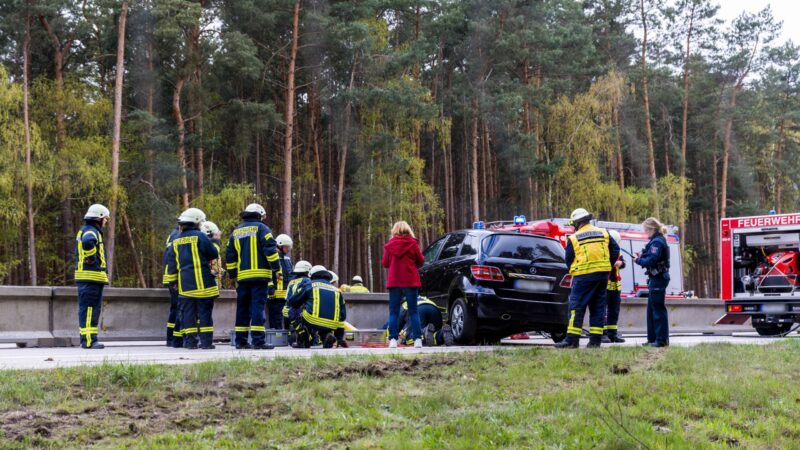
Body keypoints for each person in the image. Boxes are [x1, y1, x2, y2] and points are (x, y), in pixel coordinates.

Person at [555, 208, 619, 349]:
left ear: (577, 223)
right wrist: (607, 265)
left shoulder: (574, 238)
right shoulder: (604, 232)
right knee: (597, 307)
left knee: (576, 307)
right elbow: (615, 250)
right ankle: (595, 341)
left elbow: (568, 259)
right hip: (602, 276)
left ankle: (572, 340)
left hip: (583, 277)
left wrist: (576, 269)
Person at [225, 203, 280, 350]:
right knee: (257, 308)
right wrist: (276, 268)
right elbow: (271, 250)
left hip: (242, 279)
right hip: (260, 277)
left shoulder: (236, 232)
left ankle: (241, 341)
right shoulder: (262, 229)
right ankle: (258, 341)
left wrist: (232, 274)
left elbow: (230, 256)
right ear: (259, 215)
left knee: (242, 309)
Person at [165, 208, 219, 350]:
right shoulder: (200, 236)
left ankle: (190, 343)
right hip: (204, 285)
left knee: (188, 314)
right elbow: (213, 253)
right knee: (205, 313)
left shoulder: (176, 240)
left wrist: (173, 282)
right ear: (197, 222)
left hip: (185, 286)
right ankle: (206, 343)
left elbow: (172, 264)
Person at [382, 221, 425, 349]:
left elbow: (385, 263)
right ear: (408, 230)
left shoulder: (390, 246)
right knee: (413, 311)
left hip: (395, 282)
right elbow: (421, 261)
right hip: (410, 281)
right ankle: (417, 340)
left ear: (394, 231)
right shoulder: (413, 244)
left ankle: (393, 340)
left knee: (394, 312)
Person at [74, 204, 111, 349]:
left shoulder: (85, 229)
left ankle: (88, 339)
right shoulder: (92, 231)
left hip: (88, 277)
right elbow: (88, 242)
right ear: (99, 218)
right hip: (91, 277)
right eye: (105, 219)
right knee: (90, 309)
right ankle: (89, 341)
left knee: (87, 309)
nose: (106, 222)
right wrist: (90, 258)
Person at [287, 265, 347, 349]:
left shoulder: (310, 285)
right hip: (332, 324)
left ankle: (303, 336)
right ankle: (326, 336)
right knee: (325, 325)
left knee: (293, 310)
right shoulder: (337, 290)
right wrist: (339, 338)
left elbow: (293, 301)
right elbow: (343, 315)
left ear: (312, 275)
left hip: (312, 320)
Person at [635, 217, 671, 348]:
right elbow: (649, 257)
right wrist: (640, 256)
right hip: (655, 279)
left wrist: (638, 261)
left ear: (651, 229)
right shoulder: (655, 241)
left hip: (659, 278)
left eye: (645, 230)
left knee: (658, 310)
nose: (645, 232)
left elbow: (651, 260)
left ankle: (661, 340)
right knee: (651, 310)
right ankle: (652, 339)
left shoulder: (657, 242)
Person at [386, 297, 454, 346]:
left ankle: (423, 332)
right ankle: (443, 333)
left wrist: (392, 337)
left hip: (419, 309)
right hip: (435, 309)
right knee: (434, 333)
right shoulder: (421, 298)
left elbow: (395, 324)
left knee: (408, 338)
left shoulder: (403, 305)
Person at [603, 230, 626, 344]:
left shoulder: (618, 250)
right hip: (605, 284)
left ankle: (612, 334)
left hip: (615, 285)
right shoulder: (603, 250)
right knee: (601, 310)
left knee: (614, 310)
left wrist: (621, 263)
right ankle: (602, 334)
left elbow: (623, 261)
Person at [162, 225, 182, 348]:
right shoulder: (177, 235)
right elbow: (173, 257)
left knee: (175, 308)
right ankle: (175, 338)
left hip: (170, 275)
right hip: (175, 277)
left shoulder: (173, 233)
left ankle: (170, 338)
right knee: (179, 307)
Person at [268, 234, 294, 329]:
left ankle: (287, 338)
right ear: (279, 245)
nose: (288, 250)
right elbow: (268, 273)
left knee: (288, 318)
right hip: (275, 295)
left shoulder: (287, 259)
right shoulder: (272, 257)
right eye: (287, 247)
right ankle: (276, 338)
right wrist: (270, 286)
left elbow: (291, 274)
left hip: (286, 295)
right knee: (276, 319)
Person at [283, 260, 312, 345]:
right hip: (298, 310)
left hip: (286, 311)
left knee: (291, 329)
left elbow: (287, 298)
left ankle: (292, 338)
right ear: (307, 270)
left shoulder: (291, 282)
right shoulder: (307, 281)